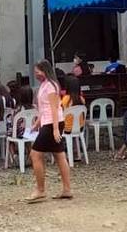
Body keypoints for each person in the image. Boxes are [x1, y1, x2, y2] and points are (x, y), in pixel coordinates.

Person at [27, 59, 72, 202]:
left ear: (44, 71)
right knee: (59, 155)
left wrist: (54, 129)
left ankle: (40, 189)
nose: (36, 74)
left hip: (53, 123)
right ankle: (66, 189)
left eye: (38, 72)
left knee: (35, 154)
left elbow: (53, 107)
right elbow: (43, 107)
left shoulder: (51, 86)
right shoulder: (44, 85)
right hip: (48, 121)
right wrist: (37, 123)